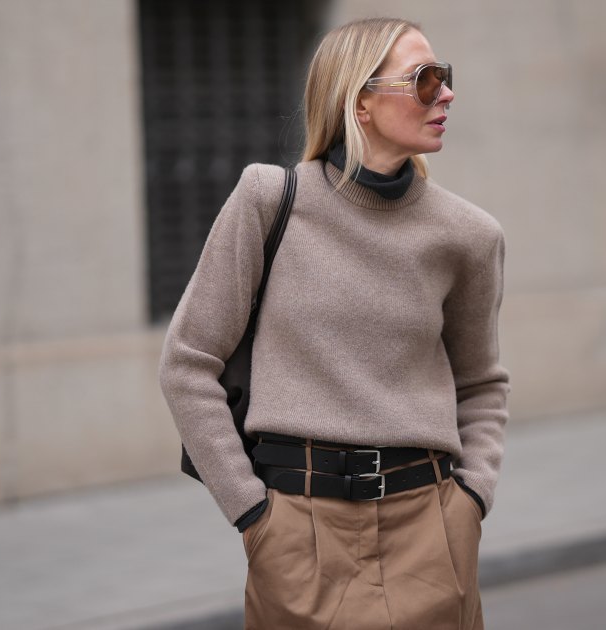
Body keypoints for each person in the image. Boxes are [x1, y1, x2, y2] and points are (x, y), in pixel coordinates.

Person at [158, 16, 509, 629]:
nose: (446, 94)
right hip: (298, 530)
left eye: (445, 78)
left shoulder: (469, 236)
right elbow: (188, 362)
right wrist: (251, 513)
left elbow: (481, 382)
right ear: (361, 99)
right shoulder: (269, 201)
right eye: (425, 80)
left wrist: (469, 500)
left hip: (431, 531)